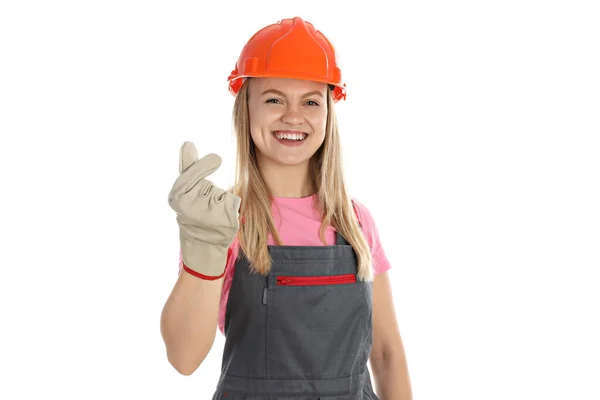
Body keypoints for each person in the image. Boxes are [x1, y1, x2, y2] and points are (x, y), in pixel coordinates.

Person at [161, 16, 412, 399]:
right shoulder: (220, 221)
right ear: (246, 110)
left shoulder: (356, 221)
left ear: (328, 112)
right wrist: (205, 249)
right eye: (274, 99)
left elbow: (387, 353)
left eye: (310, 101)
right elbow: (184, 358)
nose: (293, 116)